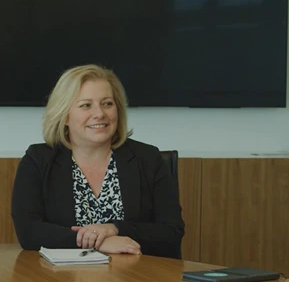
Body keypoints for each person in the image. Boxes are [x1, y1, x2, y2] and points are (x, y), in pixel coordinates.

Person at [11, 64, 185, 259]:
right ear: (65, 116)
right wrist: (99, 243)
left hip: (136, 279)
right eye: (86, 105)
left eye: (107, 104)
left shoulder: (148, 158)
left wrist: (115, 229)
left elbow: (171, 233)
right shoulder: (38, 160)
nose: (100, 113)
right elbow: (29, 232)